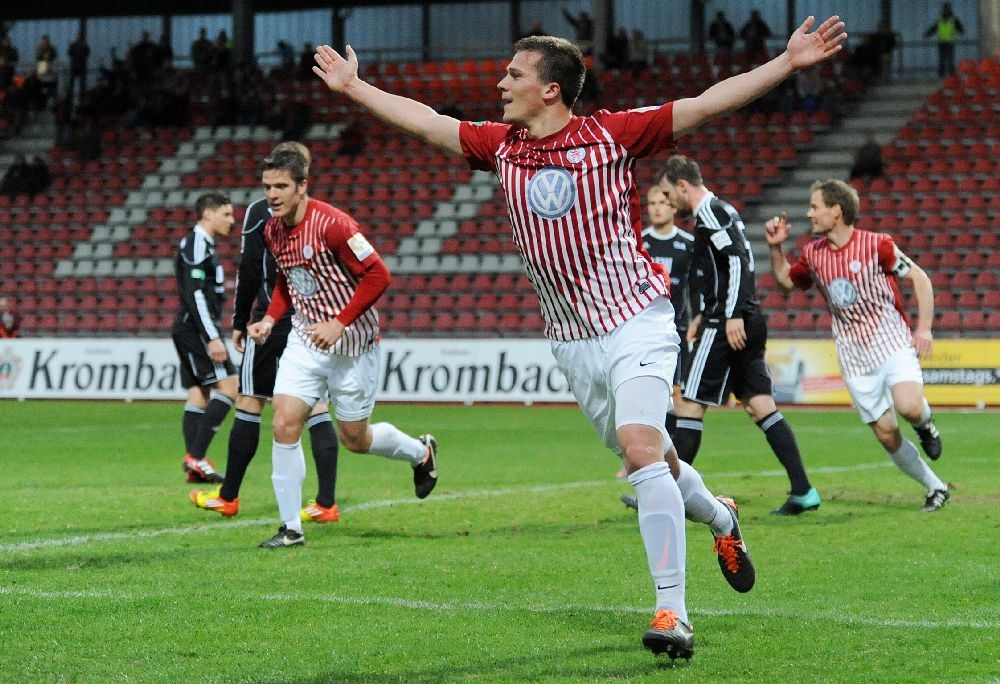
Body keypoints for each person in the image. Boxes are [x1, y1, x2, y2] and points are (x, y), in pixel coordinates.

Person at [312, 15, 845, 658]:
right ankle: (720, 516)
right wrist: (354, 87)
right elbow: (426, 122)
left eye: (513, 74)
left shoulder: (610, 135)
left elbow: (706, 103)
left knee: (642, 449)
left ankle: (672, 613)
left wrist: (786, 63)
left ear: (551, 90)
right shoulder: (501, 145)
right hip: (572, 341)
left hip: (636, 317)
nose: (501, 83)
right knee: (658, 462)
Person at [246, 148, 438, 549]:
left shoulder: (335, 226)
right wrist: (270, 318)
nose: (272, 195)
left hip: (352, 346)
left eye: (281, 186)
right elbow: (287, 280)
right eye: (267, 187)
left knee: (355, 439)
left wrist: (340, 322)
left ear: (302, 186)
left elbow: (378, 275)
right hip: (305, 340)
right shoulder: (272, 230)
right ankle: (291, 529)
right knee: (283, 422)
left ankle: (420, 453)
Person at [765, 180, 949, 512]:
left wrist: (924, 328)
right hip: (854, 357)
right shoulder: (813, 254)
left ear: (836, 211)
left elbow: (920, 278)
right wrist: (776, 248)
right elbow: (786, 282)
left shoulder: (879, 245)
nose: (809, 213)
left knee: (909, 406)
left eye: (815, 206)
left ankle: (925, 424)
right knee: (887, 434)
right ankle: (936, 487)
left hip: (891, 342)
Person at [658, 155, 820, 516]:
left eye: (669, 195)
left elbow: (735, 261)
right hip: (744, 315)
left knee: (688, 405)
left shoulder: (710, 211)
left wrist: (728, 314)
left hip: (727, 321)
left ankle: (665, 497)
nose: (669, 202)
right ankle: (803, 491)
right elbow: (724, 266)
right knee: (761, 406)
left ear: (683, 185)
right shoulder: (722, 210)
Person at [190, 142, 341, 524]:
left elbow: (250, 267)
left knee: (250, 401)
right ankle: (326, 502)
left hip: (270, 319)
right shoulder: (319, 213)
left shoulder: (262, 212)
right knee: (316, 406)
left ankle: (229, 496)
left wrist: (241, 320)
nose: (273, 192)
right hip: (311, 318)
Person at [617, 186, 694, 483]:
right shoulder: (639, 243)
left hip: (677, 331)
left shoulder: (688, 244)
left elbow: (696, 288)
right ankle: (647, 459)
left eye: (663, 202)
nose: (657, 208)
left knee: (675, 397)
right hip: (642, 332)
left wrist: (698, 319)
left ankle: (666, 464)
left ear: (674, 207)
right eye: (652, 202)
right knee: (648, 397)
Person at [172, 192, 238, 485]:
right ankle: (196, 457)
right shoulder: (197, 243)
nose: (231, 221)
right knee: (230, 386)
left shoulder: (203, 244)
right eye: (226, 214)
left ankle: (195, 466)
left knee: (199, 393)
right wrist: (212, 337)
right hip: (196, 328)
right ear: (208, 214)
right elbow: (195, 293)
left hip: (189, 326)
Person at [925, 3, 964, 77]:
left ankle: (952, 77)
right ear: (943, 9)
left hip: (950, 42)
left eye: (948, 8)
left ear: (950, 9)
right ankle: (941, 76)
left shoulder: (954, 19)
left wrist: (961, 31)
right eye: (945, 8)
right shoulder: (940, 19)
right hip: (942, 42)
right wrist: (928, 34)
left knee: (950, 60)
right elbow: (934, 28)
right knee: (942, 60)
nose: (946, 10)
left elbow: (960, 27)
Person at [67, 32, 90, 100]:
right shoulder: (80, 45)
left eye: (79, 36)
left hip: (78, 67)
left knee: (80, 84)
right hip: (77, 67)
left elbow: (70, 53)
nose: (78, 37)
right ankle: (77, 98)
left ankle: (79, 98)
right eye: (78, 36)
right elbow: (70, 53)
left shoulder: (82, 45)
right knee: (76, 84)